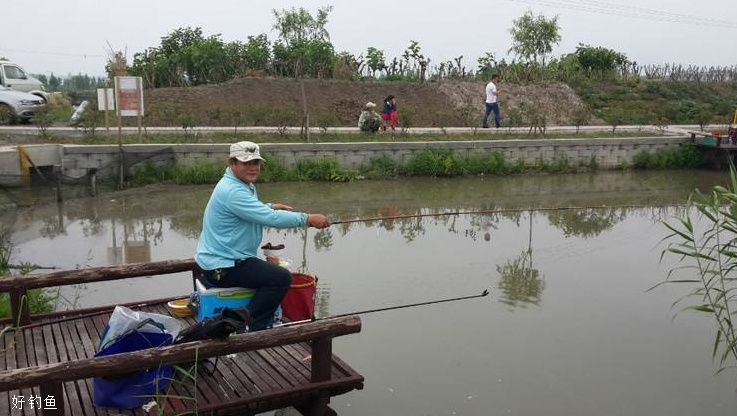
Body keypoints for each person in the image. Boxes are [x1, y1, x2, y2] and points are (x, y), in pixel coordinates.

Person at [195, 141, 330, 331]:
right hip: (223, 266)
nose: (253, 168)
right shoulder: (233, 190)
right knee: (280, 278)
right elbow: (270, 218)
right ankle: (250, 326)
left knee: (271, 272)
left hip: (224, 260)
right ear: (232, 163)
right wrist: (308, 219)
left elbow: (250, 210)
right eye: (246, 163)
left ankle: (251, 319)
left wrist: (269, 206)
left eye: (256, 163)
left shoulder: (238, 184)